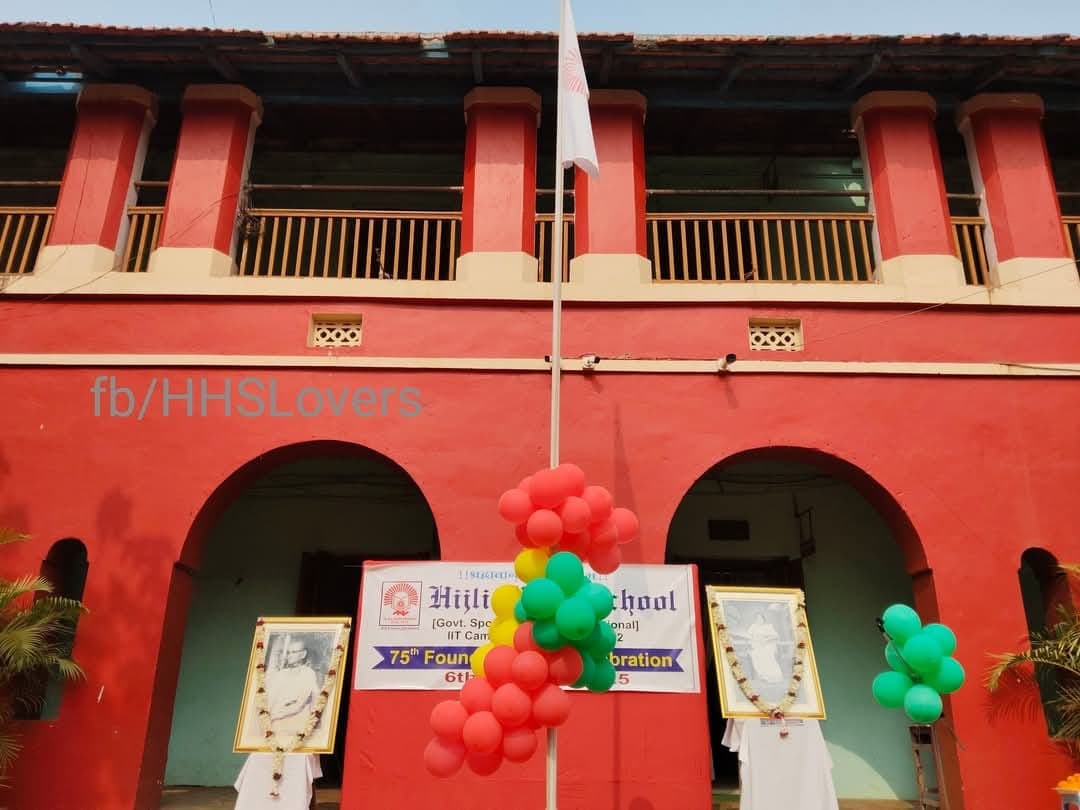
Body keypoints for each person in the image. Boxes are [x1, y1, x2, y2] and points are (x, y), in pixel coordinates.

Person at [265, 635, 321, 738]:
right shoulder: (281, 674)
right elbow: (271, 698)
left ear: (303, 654)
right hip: (276, 722)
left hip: (296, 724)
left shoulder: (308, 673)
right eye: (288, 653)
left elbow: (298, 704)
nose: (289, 656)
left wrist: (275, 715)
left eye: (293, 652)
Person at [746, 612, 783, 684]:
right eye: (757, 618)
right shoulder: (753, 626)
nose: (759, 620)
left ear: (763, 619)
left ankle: (773, 676)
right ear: (755, 619)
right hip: (757, 645)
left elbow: (776, 636)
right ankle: (763, 676)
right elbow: (748, 636)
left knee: (767, 654)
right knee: (756, 654)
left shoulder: (769, 626)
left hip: (768, 644)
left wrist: (766, 639)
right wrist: (754, 641)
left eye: (760, 618)